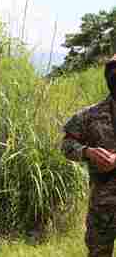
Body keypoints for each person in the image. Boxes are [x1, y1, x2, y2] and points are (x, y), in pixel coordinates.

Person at [61, 55, 116, 257]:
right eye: (113, 72)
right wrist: (87, 152)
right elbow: (66, 144)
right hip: (102, 207)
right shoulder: (88, 115)